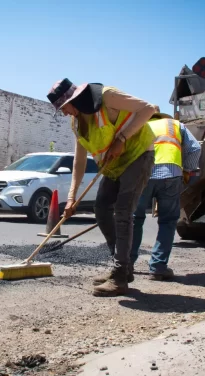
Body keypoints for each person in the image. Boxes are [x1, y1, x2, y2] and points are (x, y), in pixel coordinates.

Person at [46, 78, 157, 297]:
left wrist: (123, 137)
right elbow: (78, 161)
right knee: (101, 208)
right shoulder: (77, 123)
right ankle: (122, 267)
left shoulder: (107, 97)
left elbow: (148, 108)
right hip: (113, 165)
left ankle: (120, 276)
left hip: (138, 156)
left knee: (123, 212)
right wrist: (71, 198)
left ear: (73, 99)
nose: (65, 113)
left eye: (64, 108)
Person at [127, 112, 202, 281]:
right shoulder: (175, 125)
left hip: (142, 176)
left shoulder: (140, 124)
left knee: (134, 219)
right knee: (168, 221)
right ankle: (158, 268)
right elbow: (196, 148)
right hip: (170, 175)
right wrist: (187, 169)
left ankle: (127, 265)